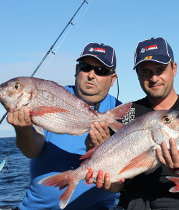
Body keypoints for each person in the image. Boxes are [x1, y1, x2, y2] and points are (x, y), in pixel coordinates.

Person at [85, 37, 179, 210]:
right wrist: (104, 175)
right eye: (146, 71)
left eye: (160, 69)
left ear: (174, 68)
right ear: (138, 74)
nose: (154, 78)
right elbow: (116, 186)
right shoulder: (127, 113)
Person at [7, 42, 123, 210]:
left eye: (101, 71)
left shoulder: (123, 113)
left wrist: (105, 149)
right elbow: (32, 151)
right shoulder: (51, 95)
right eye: (86, 67)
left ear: (112, 79)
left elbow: (119, 182)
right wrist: (22, 129)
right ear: (77, 70)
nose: (91, 75)